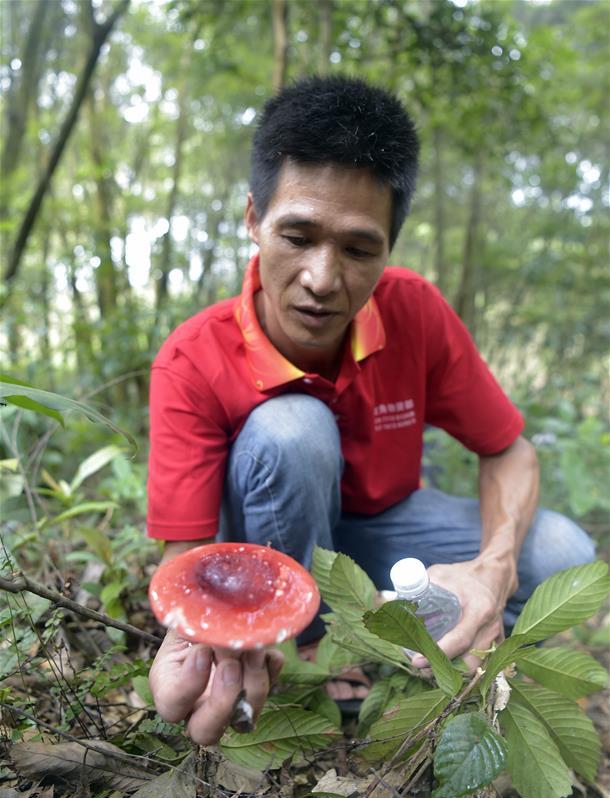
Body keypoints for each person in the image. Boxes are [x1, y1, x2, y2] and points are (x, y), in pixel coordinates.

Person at [146, 75, 595, 746]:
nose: (323, 280)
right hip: (269, 549)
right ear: (252, 219)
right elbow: (185, 561)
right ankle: (299, 652)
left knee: (563, 549)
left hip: (381, 532)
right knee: (291, 429)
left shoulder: (414, 310)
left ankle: (401, 649)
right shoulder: (192, 357)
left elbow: (509, 449)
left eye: (358, 249)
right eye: (297, 236)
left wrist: (492, 570)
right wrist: (199, 639)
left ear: (389, 247)